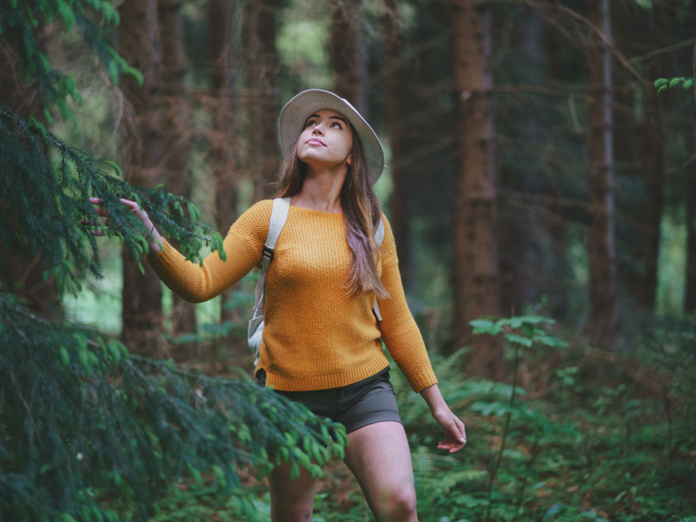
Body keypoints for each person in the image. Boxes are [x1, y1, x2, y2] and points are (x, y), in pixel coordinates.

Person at [92, 89, 466, 521]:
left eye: (334, 125)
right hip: (290, 398)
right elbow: (201, 283)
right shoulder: (269, 217)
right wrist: (149, 236)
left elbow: (397, 319)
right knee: (291, 515)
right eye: (312, 123)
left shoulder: (371, 226)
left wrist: (436, 402)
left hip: (365, 389)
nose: (318, 128)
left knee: (399, 504)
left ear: (351, 156)